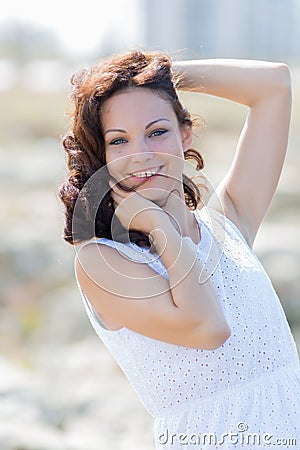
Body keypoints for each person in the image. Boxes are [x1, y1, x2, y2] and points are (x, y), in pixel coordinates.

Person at [58, 50, 300, 449]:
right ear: (102, 156)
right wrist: (157, 226)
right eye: (119, 140)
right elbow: (208, 328)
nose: (142, 153)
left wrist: (158, 78)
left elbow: (274, 86)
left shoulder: (228, 224)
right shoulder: (103, 261)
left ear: (184, 134)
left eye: (157, 131)